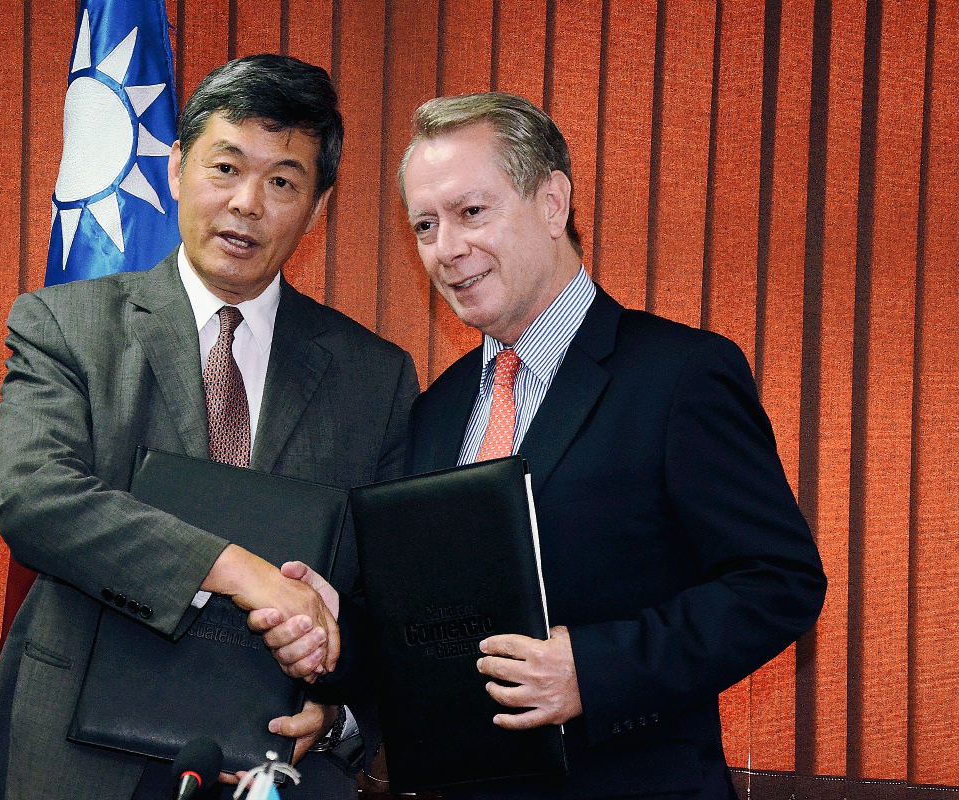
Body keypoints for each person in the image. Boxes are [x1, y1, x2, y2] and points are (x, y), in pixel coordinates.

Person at [258, 91, 826, 799]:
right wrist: (336, 628)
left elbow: (779, 583)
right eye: (425, 225)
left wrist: (593, 671)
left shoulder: (678, 374)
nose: (446, 249)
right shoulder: (434, 409)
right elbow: (432, 632)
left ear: (553, 203)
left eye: (472, 213)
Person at [0, 55, 419, 800]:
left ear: (317, 205)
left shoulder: (374, 375)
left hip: (282, 764)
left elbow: (389, 592)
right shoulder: (65, 325)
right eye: (226, 167)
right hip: (77, 758)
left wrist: (341, 706)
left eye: (282, 181)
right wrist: (241, 569)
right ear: (177, 167)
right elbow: (35, 500)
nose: (247, 203)